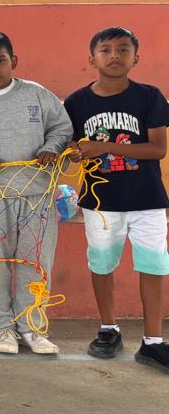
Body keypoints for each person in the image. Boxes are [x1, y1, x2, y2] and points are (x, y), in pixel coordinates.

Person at [0, 30, 71, 355]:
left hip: (37, 195)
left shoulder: (37, 94)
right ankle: (1, 328)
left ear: (13, 61)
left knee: (36, 263)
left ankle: (32, 327)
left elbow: (62, 128)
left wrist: (51, 147)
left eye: (0, 60)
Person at [63, 27, 169, 373]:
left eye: (123, 49)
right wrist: (74, 152)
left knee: (153, 266)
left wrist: (105, 146)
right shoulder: (76, 102)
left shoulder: (150, 97)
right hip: (101, 202)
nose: (114, 56)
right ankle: (108, 329)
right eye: (105, 50)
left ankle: (153, 341)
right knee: (102, 265)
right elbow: (70, 144)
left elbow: (158, 148)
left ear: (136, 58)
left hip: (148, 200)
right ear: (91, 58)